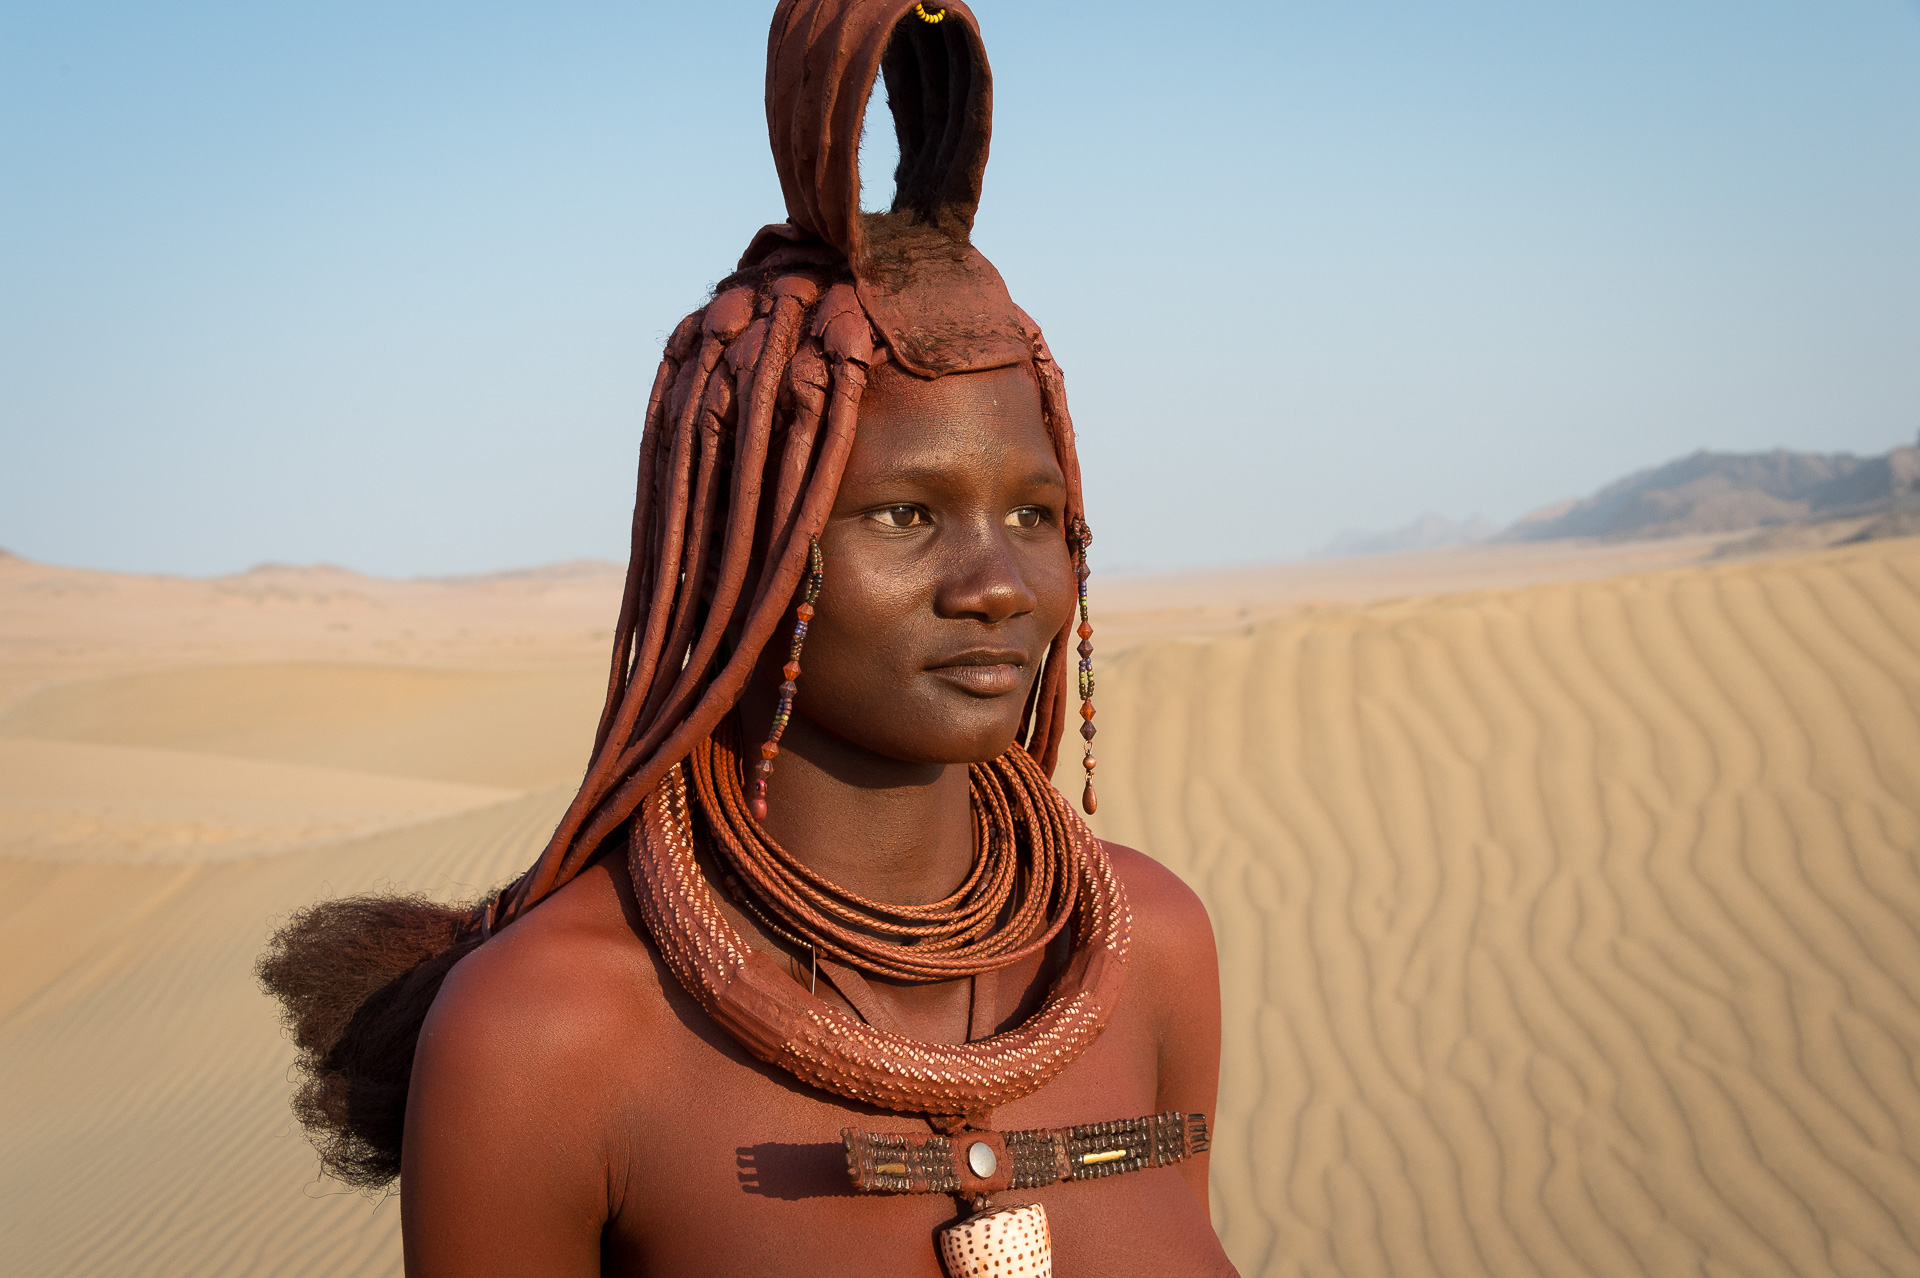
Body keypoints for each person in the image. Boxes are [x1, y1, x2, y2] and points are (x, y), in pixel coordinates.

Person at [260, 3, 1235, 1274]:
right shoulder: (547, 1034)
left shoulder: (1145, 945)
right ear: (746, 546)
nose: (1000, 583)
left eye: (1037, 515)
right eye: (905, 512)